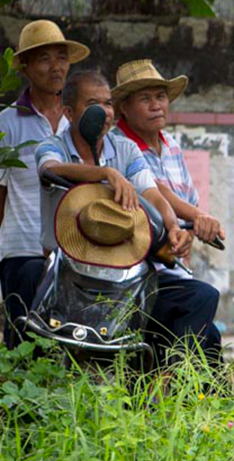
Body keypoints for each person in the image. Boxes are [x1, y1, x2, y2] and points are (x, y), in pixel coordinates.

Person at [34, 70, 221, 362]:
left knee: (202, 297)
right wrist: (106, 173)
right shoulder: (52, 146)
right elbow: (49, 169)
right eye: (93, 103)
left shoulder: (125, 148)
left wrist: (173, 226)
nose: (103, 112)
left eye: (108, 103)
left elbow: (153, 193)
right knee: (36, 341)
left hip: (123, 277)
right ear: (69, 113)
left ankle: (172, 378)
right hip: (70, 277)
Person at [110, 60, 225, 361]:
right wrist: (197, 216)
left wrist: (192, 226)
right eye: (144, 99)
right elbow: (154, 193)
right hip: (135, 273)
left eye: (160, 97)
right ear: (123, 107)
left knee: (209, 337)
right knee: (203, 298)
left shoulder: (171, 144)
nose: (156, 106)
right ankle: (172, 380)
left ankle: (202, 404)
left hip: (172, 271)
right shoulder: (116, 145)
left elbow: (186, 202)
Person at [0, 20, 89, 348]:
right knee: (22, 347)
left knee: (72, 348)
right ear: (24, 67)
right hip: (23, 253)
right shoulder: (7, 123)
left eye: (62, 58)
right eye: (44, 59)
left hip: (76, 258)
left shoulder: (79, 122)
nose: (56, 68)